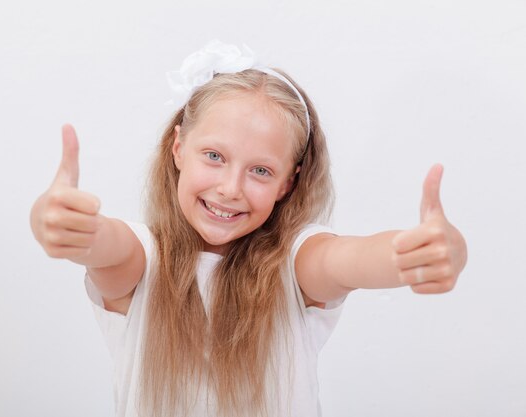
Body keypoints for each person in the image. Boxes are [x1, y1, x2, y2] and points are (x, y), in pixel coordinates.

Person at [29, 40, 467, 417]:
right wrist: (60, 221)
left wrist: (424, 251)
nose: (230, 189)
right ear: (179, 148)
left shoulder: (296, 265)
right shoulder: (144, 259)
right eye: (214, 157)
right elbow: (105, 243)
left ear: (287, 184)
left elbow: (351, 259)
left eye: (260, 170)